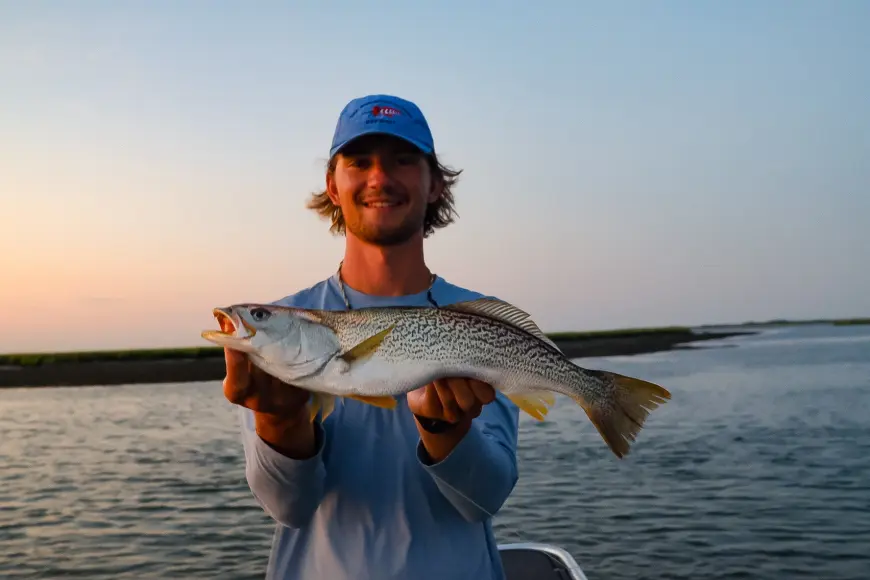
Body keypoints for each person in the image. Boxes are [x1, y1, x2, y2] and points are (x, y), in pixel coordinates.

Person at [220, 94, 520, 580]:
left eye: (403, 160)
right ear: (332, 186)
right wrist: (278, 422)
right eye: (360, 161)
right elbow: (287, 507)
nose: (380, 178)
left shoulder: (479, 324)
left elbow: (484, 499)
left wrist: (448, 430)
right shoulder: (281, 329)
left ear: (435, 184)